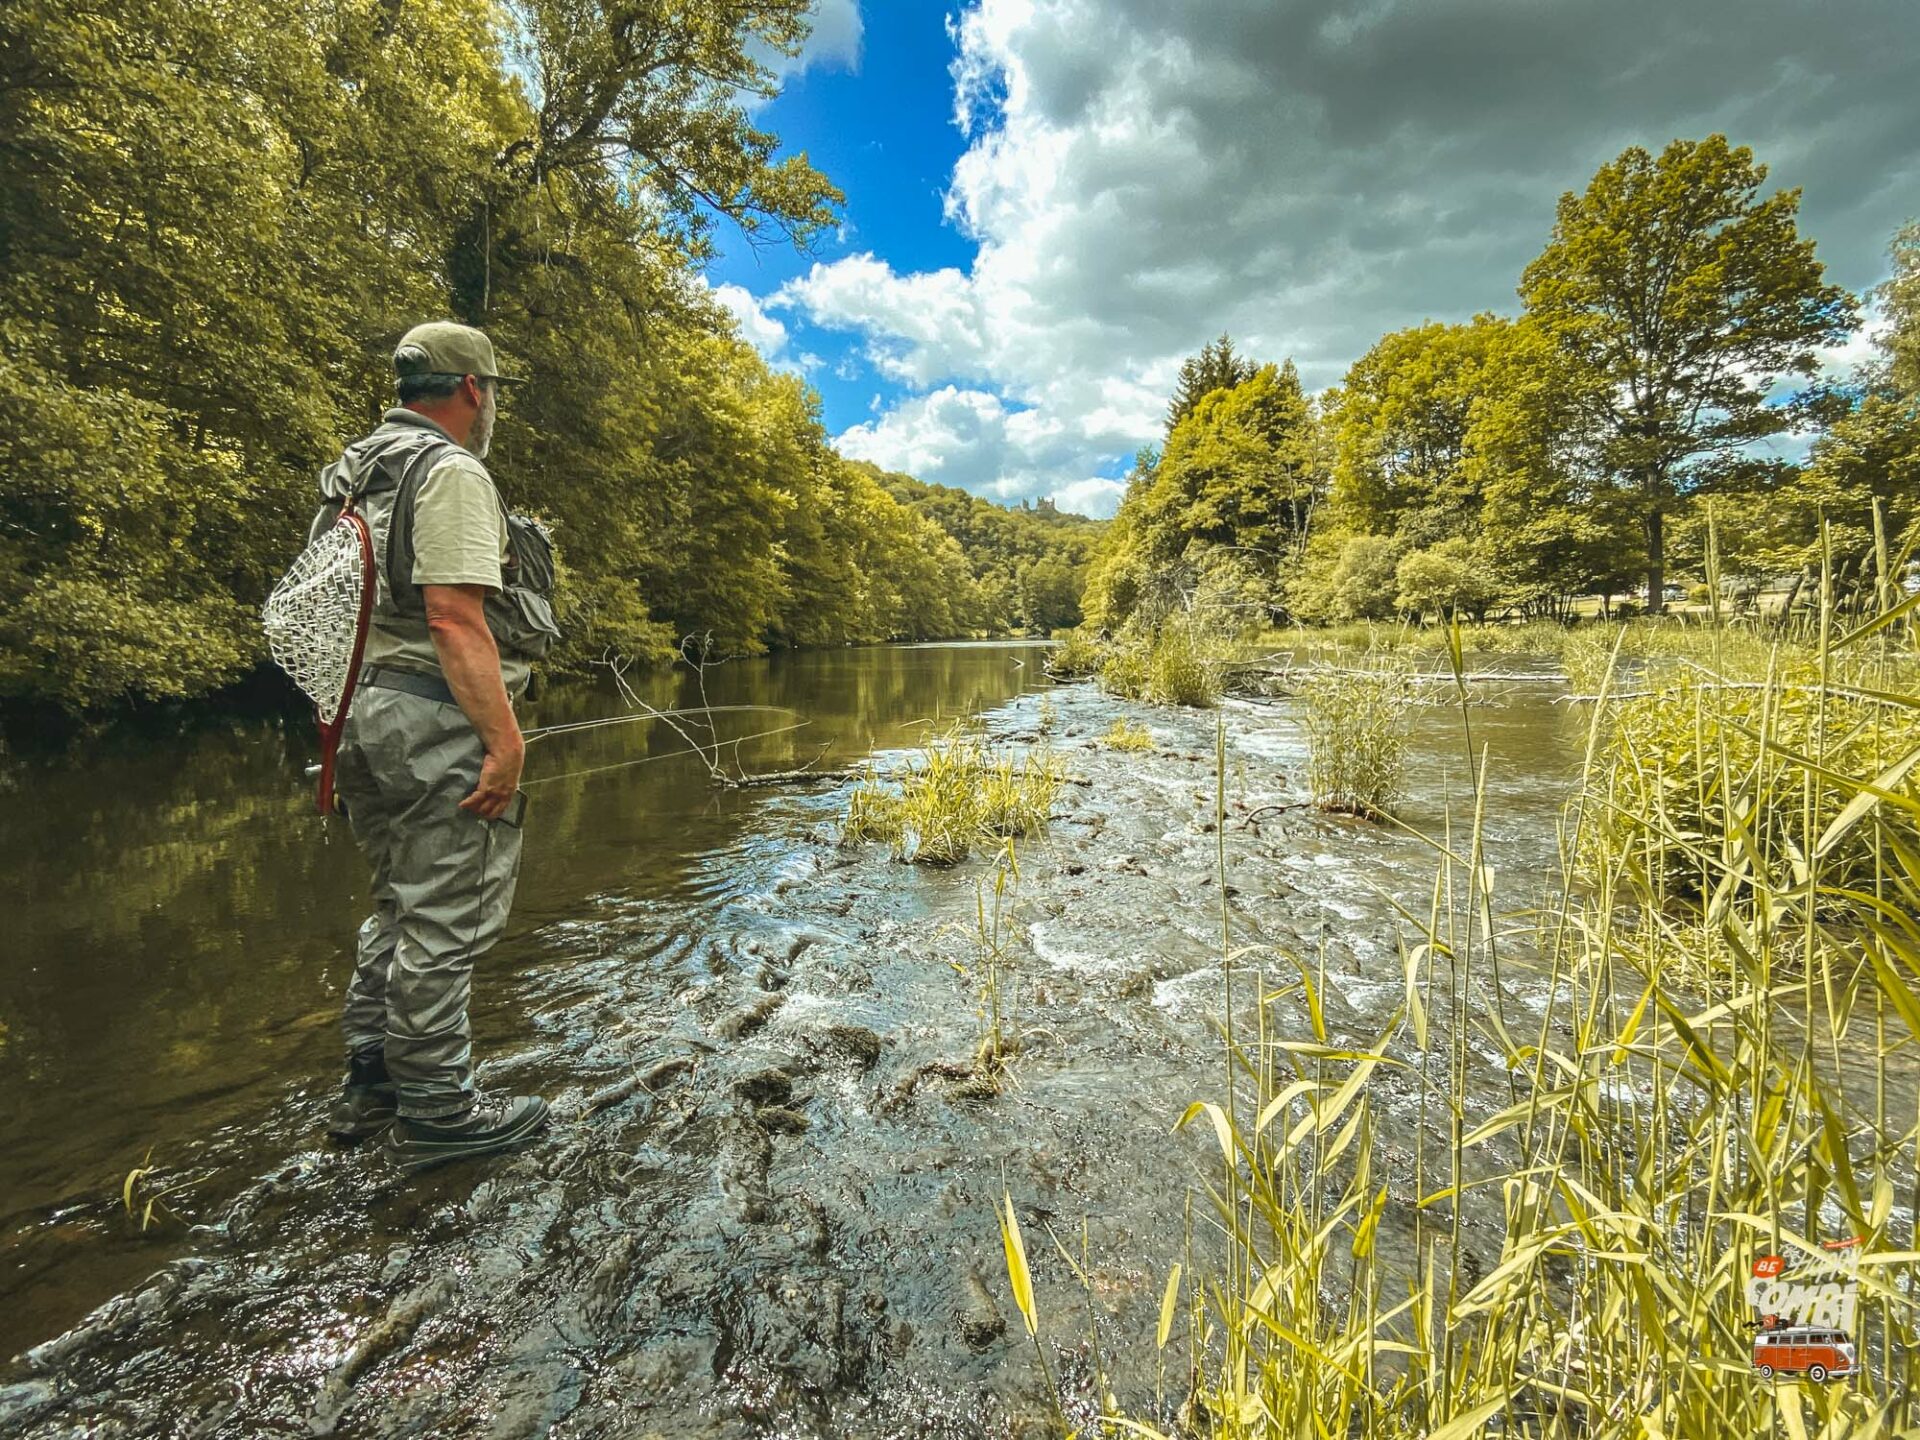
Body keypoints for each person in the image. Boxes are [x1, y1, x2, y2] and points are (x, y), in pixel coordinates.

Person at [315, 321, 561, 1170]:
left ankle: (370, 1081)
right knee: (444, 917)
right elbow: (456, 618)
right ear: (470, 390)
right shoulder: (452, 472)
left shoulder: (356, 474)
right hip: (430, 717)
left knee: (396, 901)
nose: (490, 407)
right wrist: (505, 744)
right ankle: (439, 1113)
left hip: (353, 712)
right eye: (491, 392)